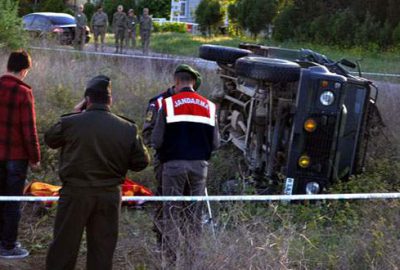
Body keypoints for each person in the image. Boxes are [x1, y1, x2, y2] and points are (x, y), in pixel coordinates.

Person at [45, 75, 150, 270]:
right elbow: (141, 162)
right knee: (102, 251)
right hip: (109, 195)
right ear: (110, 100)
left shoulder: (71, 123)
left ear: (87, 100)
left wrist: (75, 113)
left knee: (64, 247)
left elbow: (51, 139)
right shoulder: (127, 128)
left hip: (75, 193)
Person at [151, 65, 219, 268]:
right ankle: (192, 261)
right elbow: (216, 144)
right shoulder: (209, 106)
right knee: (194, 216)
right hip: (200, 168)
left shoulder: (168, 104)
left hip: (173, 167)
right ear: (194, 82)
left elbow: (156, 141)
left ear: (176, 81)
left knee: (171, 214)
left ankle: (170, 262)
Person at [0, 50, 41, 259]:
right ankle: (7, 246)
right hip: (16, 157)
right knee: (12, 201)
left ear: (8, 66)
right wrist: (35, 157)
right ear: (24, 70)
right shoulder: (24, 92)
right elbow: (29, 129)